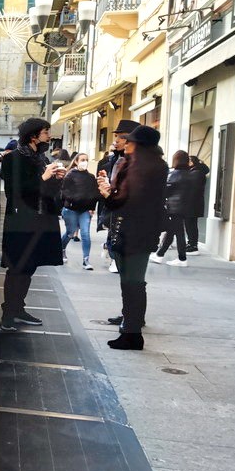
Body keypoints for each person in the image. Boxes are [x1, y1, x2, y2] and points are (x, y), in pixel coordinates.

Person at [96, 125, 168, 350]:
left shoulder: (144, 168)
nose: (125, 143)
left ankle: (132, 334)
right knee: (131, 283)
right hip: (137, 232)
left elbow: (129, 202)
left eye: (130, 141)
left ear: (140, 145)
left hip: (136, 233)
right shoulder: (146, 165)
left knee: (132, 283)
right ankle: (131, 329)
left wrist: (108, 195)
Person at [0, 118, 65, 332]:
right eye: (46, 132)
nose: (49, 136)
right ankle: (8, 314)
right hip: (21, 222)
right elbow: (14, 192)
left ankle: (18, 309)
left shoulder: (40, 159)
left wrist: (56, 179)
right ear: (33, 136)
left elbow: (45, 192)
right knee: (17, 267)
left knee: (29, 267)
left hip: (41, 221)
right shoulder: (12, 159)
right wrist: (43, 178)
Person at [97, 120, 140, 272]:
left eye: (121, 137)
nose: (116, 141)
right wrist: (106, 181)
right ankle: (114, 257)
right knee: (114, 231)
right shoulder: (115, 159)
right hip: (115, 203)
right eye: (116, 136)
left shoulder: (139, 161)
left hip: (132, 208)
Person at [60, 152, 101, 270]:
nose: (85, 162)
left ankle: (86, 260)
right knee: (70, 232)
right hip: (71, 209)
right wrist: (73, 199)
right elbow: (64, 192)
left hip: (85, 210)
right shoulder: (69, 175)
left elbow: (95, 193)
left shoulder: (91, 177)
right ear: (76, 161)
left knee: (85, 234)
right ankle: (62, 249)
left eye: (86, 160)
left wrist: (92, 207)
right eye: (82, 160)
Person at [151, 150, 190, 267]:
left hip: (174, 207)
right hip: (183, 206)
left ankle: (182, 258)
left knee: (178, 233)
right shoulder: (189, 174)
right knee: (172, 231)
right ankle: (159, 255)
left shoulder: (175, 174)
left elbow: (166, 190)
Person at [183, 155, 209, 253]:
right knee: (190, 224)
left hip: (192, 203)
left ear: (193, 162)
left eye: (188, 160)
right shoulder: (196, 172)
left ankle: (193, 245)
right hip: (193, 203)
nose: (187, 162)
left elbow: (190, 189)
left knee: (191, 225)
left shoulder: (196, 173)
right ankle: (191, 243)